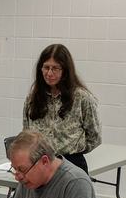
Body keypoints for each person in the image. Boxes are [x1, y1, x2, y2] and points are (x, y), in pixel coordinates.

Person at [22, 44, 101, 174]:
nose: (49, 73)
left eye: (55, 68)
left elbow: (94, 136)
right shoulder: (32, 99)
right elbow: (27, 134)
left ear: (65, 71)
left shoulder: (82, 98)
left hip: (72, 163)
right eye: (46, 67)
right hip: (39, 164)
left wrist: (75, 148)